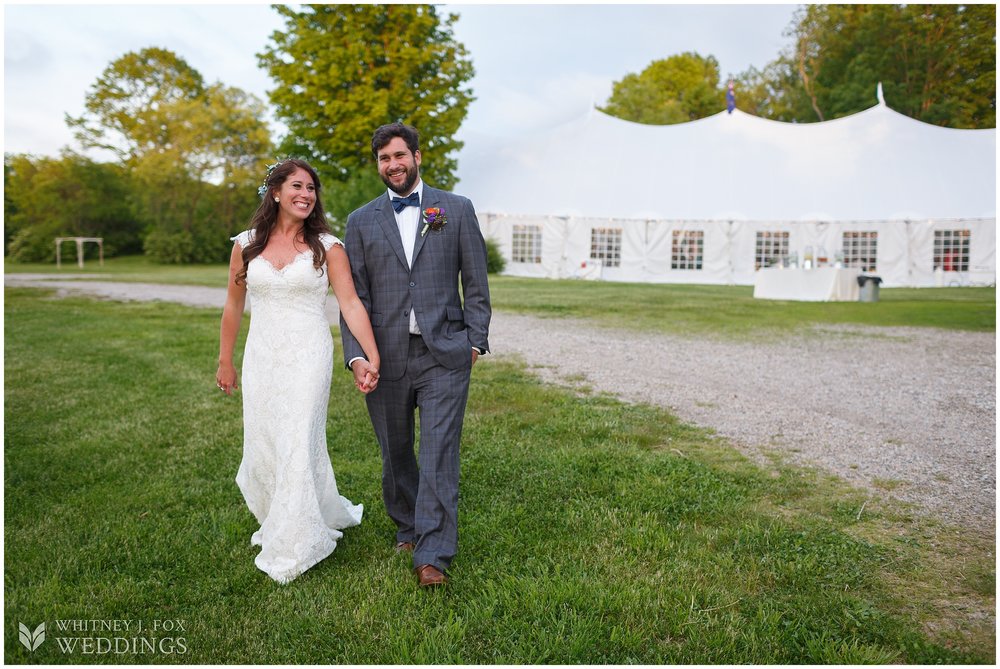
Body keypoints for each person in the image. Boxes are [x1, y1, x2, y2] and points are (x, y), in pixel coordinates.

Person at [340, 123, 491, 587]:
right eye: (384, 159)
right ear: (378, 165)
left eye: (400, 155)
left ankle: (433, 553)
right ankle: (407, 524)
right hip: (384, 356)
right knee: (396, 451)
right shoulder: (360, 221)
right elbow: (353, 299)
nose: (393, 165)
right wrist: (357, 357)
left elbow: (477, 284)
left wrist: (474, 338)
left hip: (445, 352)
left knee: (440, 451)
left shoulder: (454, 209)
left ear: (418, 157)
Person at [216, 159, 380, 584]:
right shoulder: (246, 244)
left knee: (297, 437)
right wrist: (225, 360)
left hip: (308, 356)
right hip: (262, 357)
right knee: (266, 439)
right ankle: (278, 517)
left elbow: (351, 304)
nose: (306, 194)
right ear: (275, 192)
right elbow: (234, 306)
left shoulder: (328, 246)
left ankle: (296, 540)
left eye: (311, 188)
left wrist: (371, 354)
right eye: (297, 186)